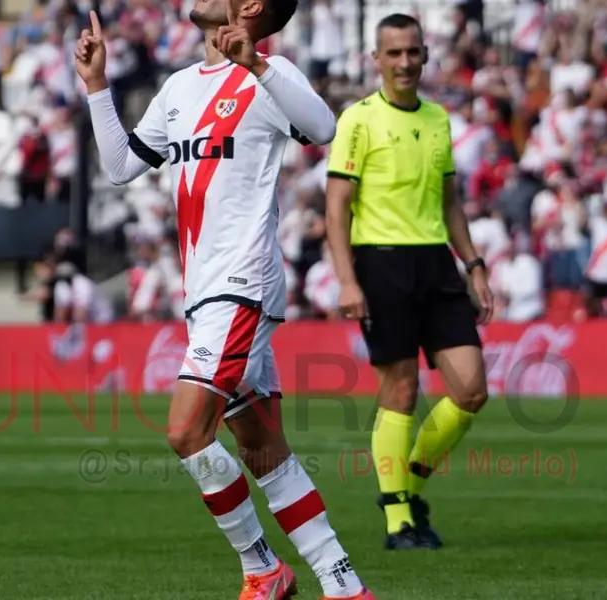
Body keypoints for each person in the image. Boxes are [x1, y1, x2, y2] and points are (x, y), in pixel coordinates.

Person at [77, 3, 372, 599]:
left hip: (241, 283)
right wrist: (96, 86)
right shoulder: (181, 87)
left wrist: (257, 66)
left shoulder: (271, 73)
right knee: (265, 453)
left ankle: (262, 567)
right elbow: (120, 165)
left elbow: (324, 129)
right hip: (203, 292)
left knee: (187, 432)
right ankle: (345, 585)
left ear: (250, 6)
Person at [324, 13, 493, 551]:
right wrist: (347, 281)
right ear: (376, 59)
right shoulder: (358, 120)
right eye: (393, 53)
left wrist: (474, 265)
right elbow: (336, 209)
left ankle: (410, 484)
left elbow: (449, 202)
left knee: (471, 390)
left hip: (437, 264)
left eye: (412, 53)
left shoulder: (439, 119)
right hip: (381, 263)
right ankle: (398, 520)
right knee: (400, 391)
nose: (403, 63)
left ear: (424, 55)